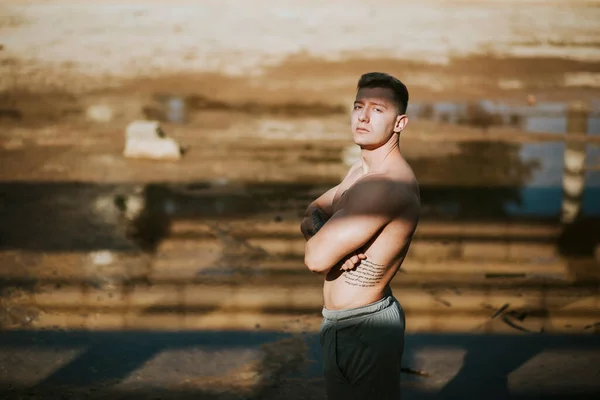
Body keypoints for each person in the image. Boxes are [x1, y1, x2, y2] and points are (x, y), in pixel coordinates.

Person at [300, 72, 420, 399]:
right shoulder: (360, 171)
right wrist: (328, 233)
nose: (363, 117)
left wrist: (329, 244)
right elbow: (312, 212)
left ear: (400, 123)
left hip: (365, 328)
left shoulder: (385, 184)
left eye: (378, 109)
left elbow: (316, 259)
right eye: (358, 106)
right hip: (343, 324)